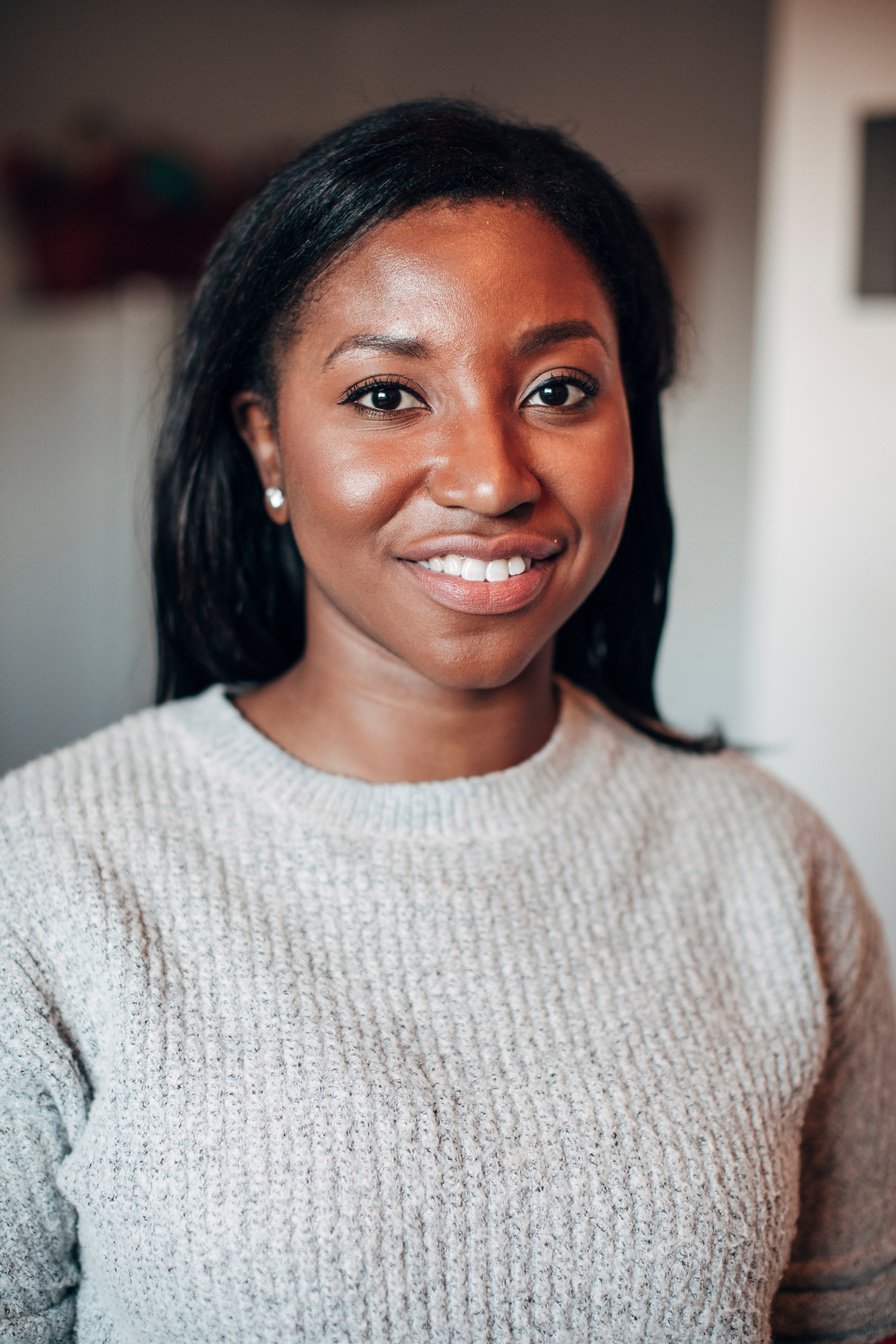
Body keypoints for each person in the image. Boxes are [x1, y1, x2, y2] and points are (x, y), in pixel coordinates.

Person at [1, 99, 894, 1344]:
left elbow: (844, 1321)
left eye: (559, 387)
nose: (489, 478)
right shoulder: (46, 872)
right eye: (384, 395)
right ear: (266, 441)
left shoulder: (768, 861)